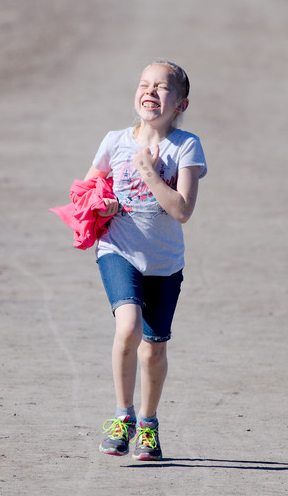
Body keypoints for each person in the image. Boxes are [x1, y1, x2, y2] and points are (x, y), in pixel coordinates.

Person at [83, 60, 207, 461]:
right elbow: (85, 188)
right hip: (118, 250)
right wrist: (98, 203)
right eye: (144, 84)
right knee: (128, 328)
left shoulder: (186, 146)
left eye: (162, 87)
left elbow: (183, 210)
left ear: (180, 102)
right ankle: (123, 417)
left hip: (164, 263)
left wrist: (150, 174)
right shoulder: (115, 140)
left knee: (153, 349)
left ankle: (148, 424)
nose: (151, 91)